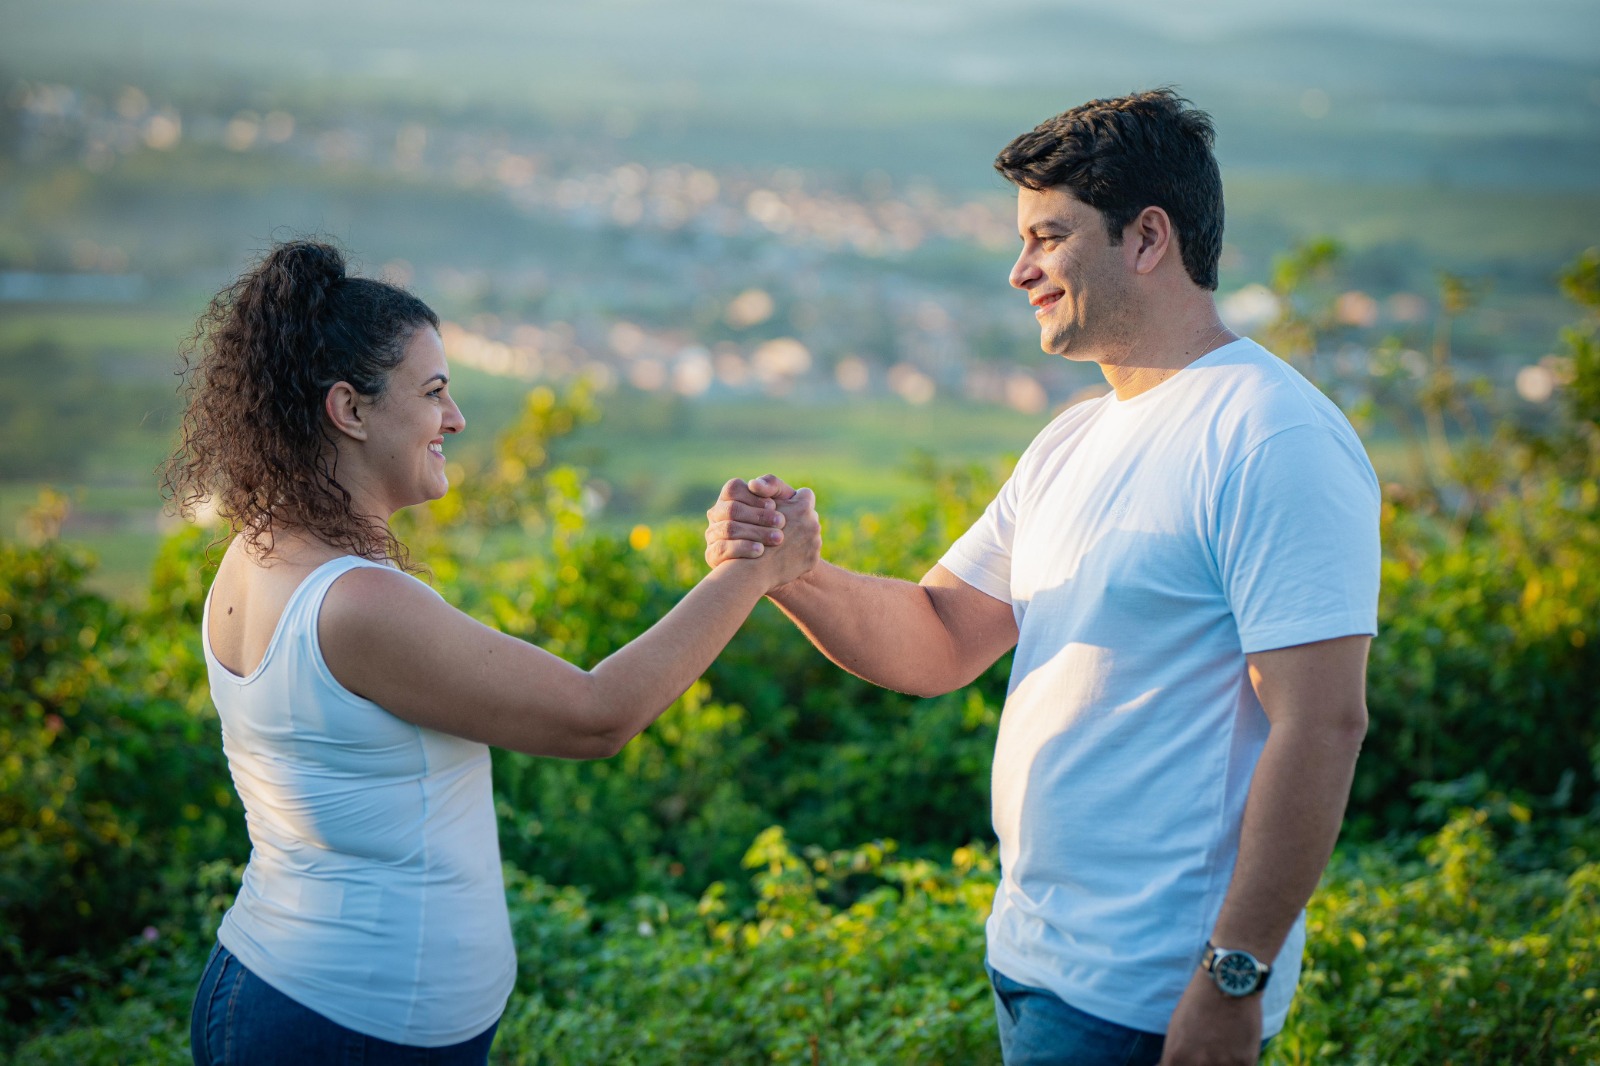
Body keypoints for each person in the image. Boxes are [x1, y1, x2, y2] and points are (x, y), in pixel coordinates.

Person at [705, 90, 1380, 1066]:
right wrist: (790, 573)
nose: (1019, 270)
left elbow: (1322, 723)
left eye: (1047, 238)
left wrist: (1235, 976)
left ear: (1147, 238)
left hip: (1154, 993)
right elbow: (939, 637)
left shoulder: (1269, 434)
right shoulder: (1074, 437)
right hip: (1035, 963)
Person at [164, 239, 819, 1065]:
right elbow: (595, 717)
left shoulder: (257, 553)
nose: (456, 419)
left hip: (298, 996)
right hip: (343, 1028)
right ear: (350, 410)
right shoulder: (357, 602)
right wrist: (753, 573)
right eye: (434, 393)